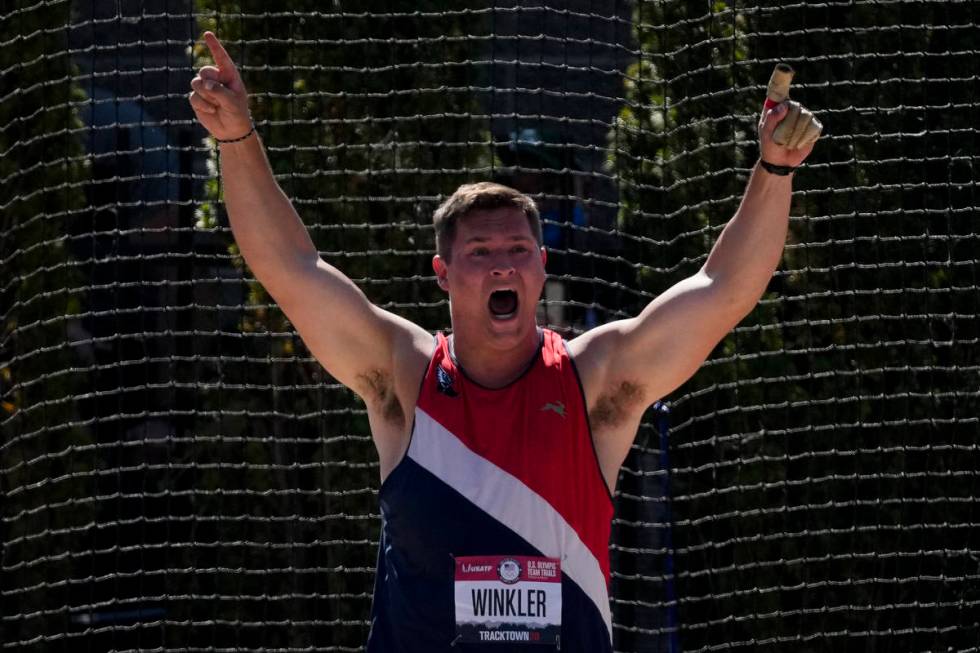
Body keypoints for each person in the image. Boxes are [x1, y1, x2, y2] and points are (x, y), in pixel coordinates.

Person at [188, 31, 818, 652]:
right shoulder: (403, 374)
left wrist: (774, 171)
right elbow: (291, 272)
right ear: (443, 274)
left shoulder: (593, 380)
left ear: (541, 267)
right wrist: (237, 139)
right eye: (481, 251)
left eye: (517, 250)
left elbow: (722, 290)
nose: (501, 266)